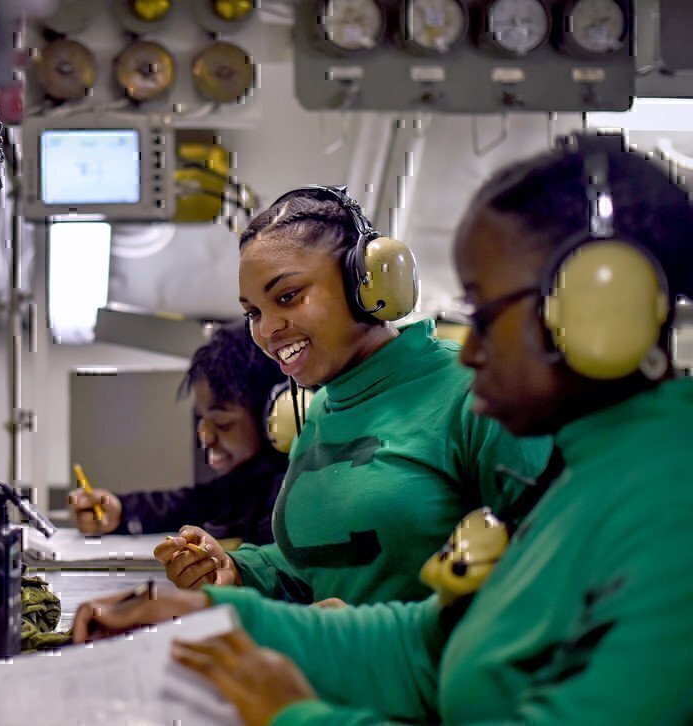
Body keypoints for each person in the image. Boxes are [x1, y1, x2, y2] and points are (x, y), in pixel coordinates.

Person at [72, 133, 693, 724]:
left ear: (598, 305)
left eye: (487, 312)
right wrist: (213, 609)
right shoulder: (593, 474)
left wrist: (298, 716)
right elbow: (431, 643)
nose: (471, 350)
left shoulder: (669, 510)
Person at [152, 183, 551, 606]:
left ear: (366, 284)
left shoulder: (474, 392)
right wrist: (239, 570)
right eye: (253, 312)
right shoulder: (323, 406)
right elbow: (320, 565)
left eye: (287, 297)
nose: (266, 330)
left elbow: (545, 575)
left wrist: (364, 634)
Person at [67, 323, 289, 545]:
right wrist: (122, 511)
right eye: (202, 419)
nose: (206, 436)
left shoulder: (288, 498)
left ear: (275, 415)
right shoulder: (245, 486)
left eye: (222, 423)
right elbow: (197, 503)